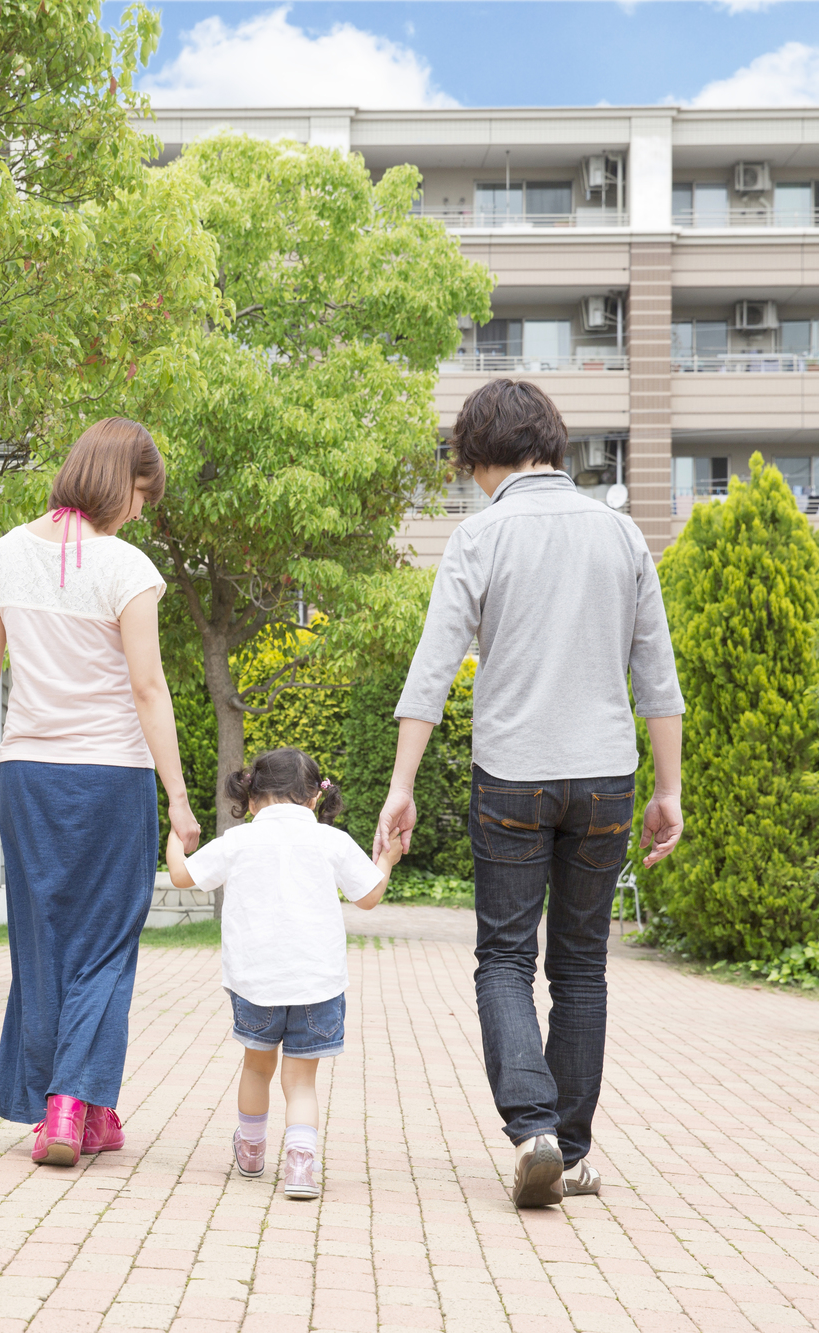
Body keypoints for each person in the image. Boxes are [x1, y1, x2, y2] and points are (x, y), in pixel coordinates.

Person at [374, 379, 685, 1209]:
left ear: (480, 456)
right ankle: (572, 1151)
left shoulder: (480, 536)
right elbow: (658, 677)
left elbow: (430, 672)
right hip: (608, 777)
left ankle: (534, 1129)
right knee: (582, 965)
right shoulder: (623, 535)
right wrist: (671, 788)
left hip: (512, 773)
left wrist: (401, 786)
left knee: (506, 957)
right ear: (553, 441)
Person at [0, 417, 202, 1168]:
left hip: (27, 775)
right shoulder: (127, 569)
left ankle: (83, 1108)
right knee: (106, 945)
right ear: (122, 483)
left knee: (43, 941)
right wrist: (178, 798)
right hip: (113, 777)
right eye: (143, 495)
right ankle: (69, 1103)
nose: (142, 511)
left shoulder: (0, 557)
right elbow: (149, 689)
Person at [164, 748, 398, 1200]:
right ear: (314, 799)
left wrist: (179, 837)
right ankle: (300, 1168)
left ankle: (251, 1151)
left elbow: (180, 875)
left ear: (251, 799)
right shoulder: (331, 840)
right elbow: (368, 897)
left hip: (255, 983)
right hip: (317, 984)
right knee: (301, 1080)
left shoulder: (238, 840)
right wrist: (387, 860)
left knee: (256, 1067)